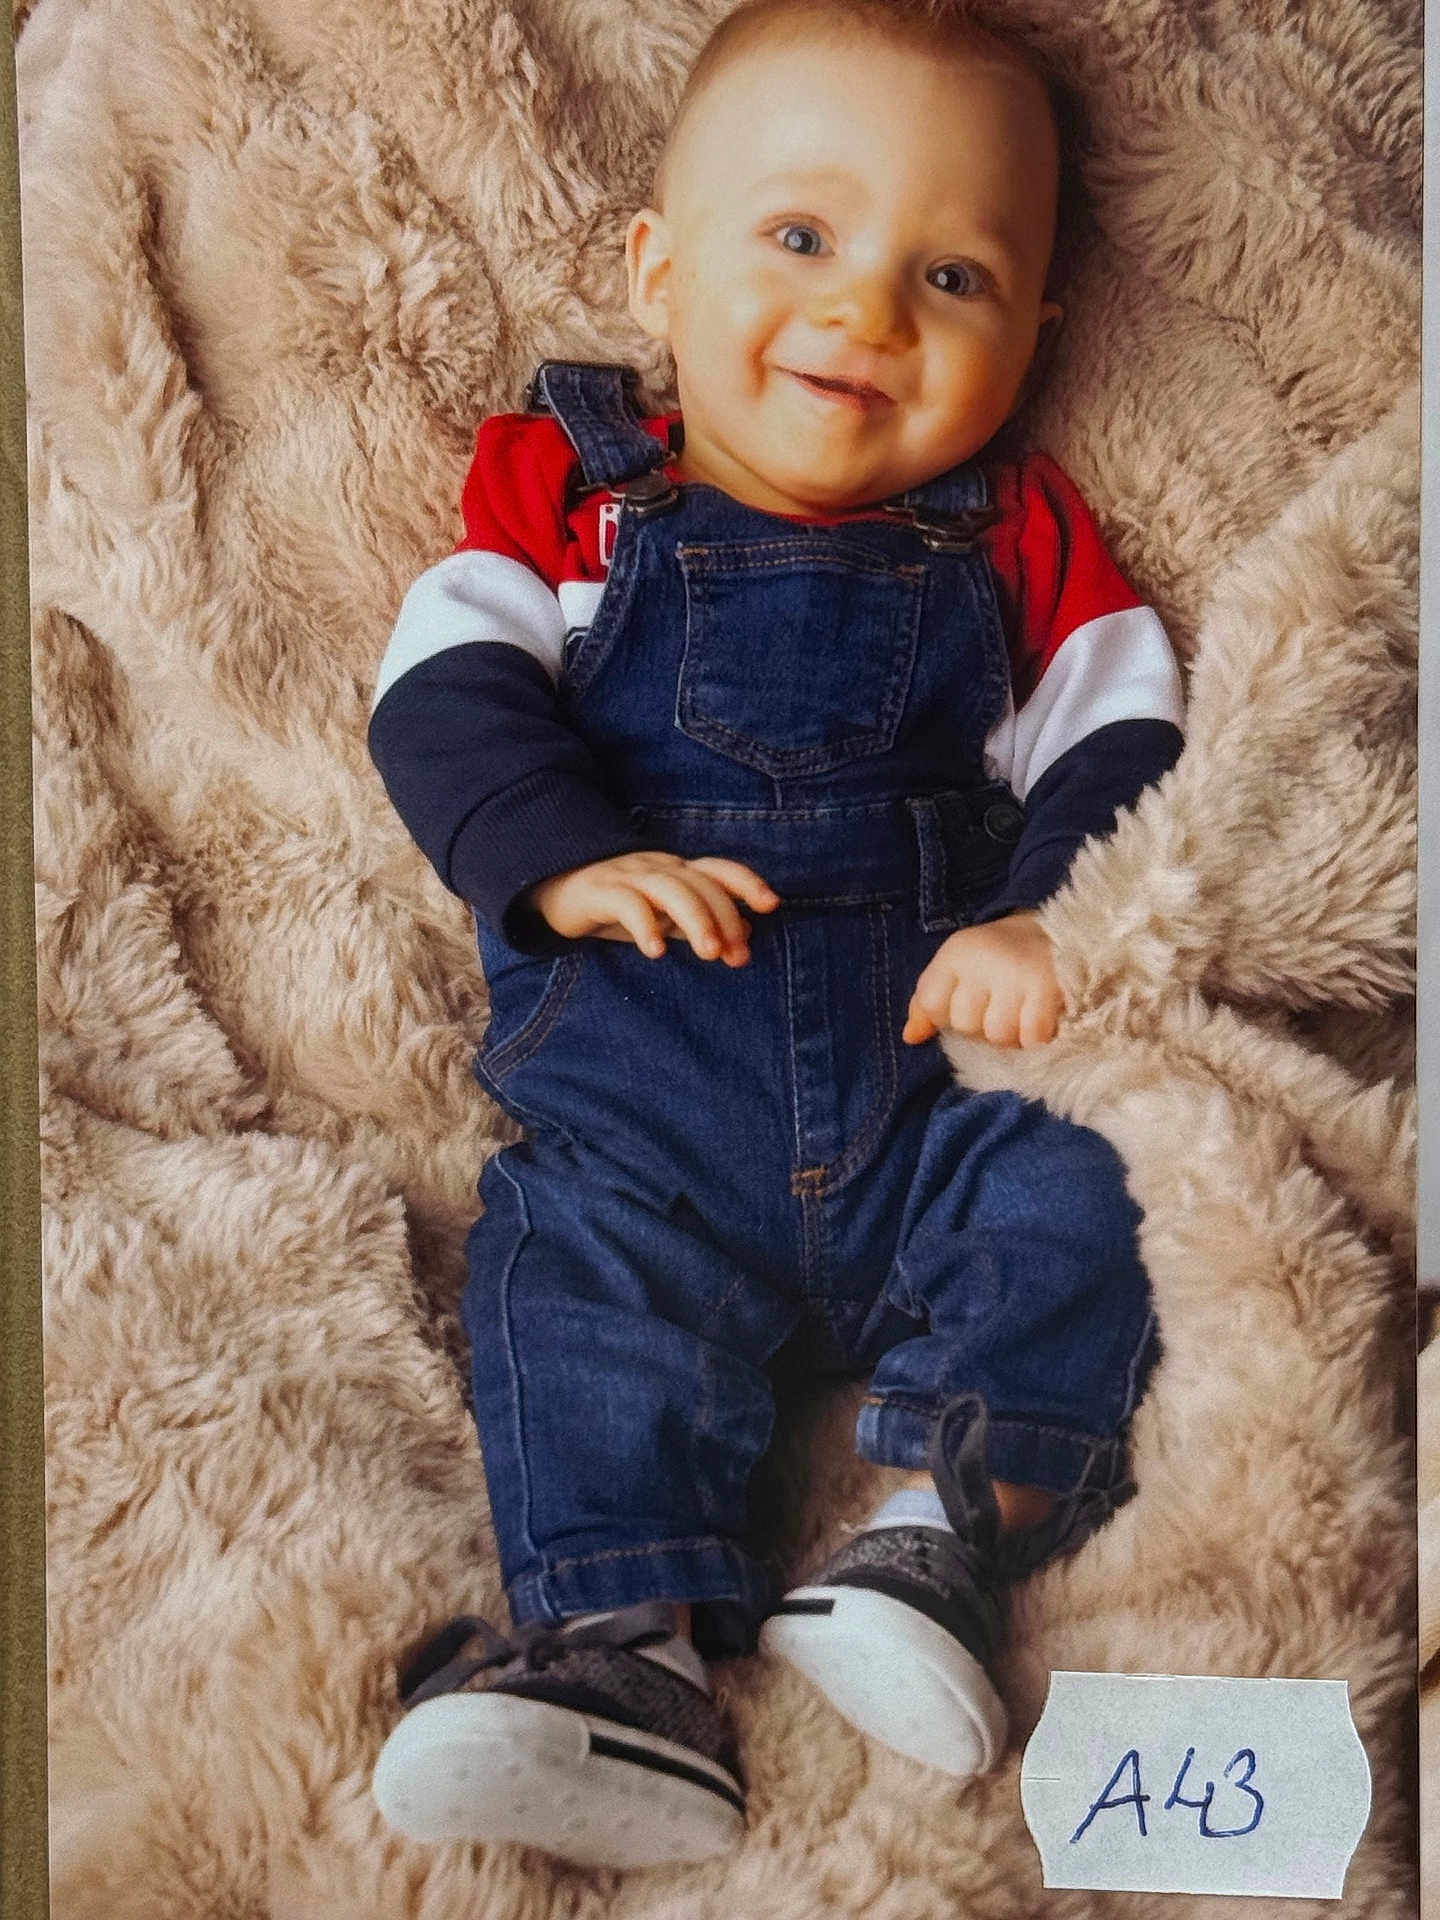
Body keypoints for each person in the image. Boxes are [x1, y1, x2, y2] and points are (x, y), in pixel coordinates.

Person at [367, 0, 1185, 1871]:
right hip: (646, 1112)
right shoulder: (571, 495)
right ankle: (619, 1650)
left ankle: (940, 1540)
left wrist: (1037, 912)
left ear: (1034, 335)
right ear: (659, 270)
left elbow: (1124, 734)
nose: (868, 310)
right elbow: (446, 687)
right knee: (561, 1279)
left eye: (953, 275)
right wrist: (561, 857)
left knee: (1094, 1195)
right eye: (802, 236)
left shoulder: (1015, 539)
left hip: (931, 1099)